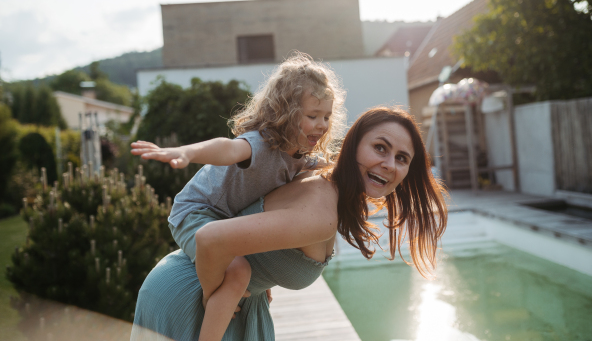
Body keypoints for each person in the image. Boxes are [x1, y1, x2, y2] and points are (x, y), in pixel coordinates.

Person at [130, 106, 448, 341]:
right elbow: (211, 239)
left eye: (402, 158)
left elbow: (252, 216)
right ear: (353, 147)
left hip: (229, 303)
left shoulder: (318, 175)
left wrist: (259, 275)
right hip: (192, 300)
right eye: (380, 147)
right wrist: (212, 292)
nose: (389, 164)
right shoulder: (321, 212)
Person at [131, 53, 346, 341]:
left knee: (242, 273)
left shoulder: (301, 159)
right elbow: (227, 149)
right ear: (287, 112)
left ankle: (220, 294)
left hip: (223, 219)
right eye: (312, 116)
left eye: (327, 117)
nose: (321, 125)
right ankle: (212, 299)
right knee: (237, 273)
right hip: (196, 212)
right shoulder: (262, 144)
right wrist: (187, 152)